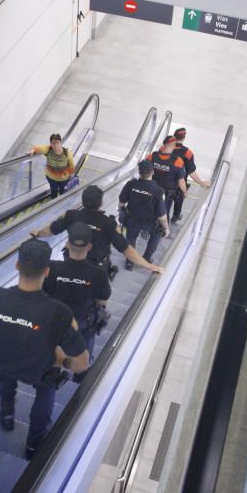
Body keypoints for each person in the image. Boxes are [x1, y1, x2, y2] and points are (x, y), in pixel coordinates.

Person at [0, 239, 88, 459]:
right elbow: (81, 364)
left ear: (17, 266)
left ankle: (7, 416)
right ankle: (33, 443)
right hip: (40, 370)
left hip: (2, 361)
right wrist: (61, 361)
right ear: (47, 271)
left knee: (6, 379)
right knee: (46, 391)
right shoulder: (59, 313)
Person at [32, 184, 164, 276]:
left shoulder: (72, 216)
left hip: (71, 262)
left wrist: (38, 233)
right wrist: (150, 266)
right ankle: (101, 310)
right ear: (100, 204)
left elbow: (51, 230)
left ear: (83, 201)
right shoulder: (108, 223)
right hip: (96, 269)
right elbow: (127, 250)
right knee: (101, 291)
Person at [43, 222, 111, 379]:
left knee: (53, 347)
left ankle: (53, 371)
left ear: (67, 244)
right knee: (85, 350)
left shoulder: (51, 268)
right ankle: (81, 376)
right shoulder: (98, 274)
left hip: (56, 323)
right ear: (89, 247)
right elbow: (103, 300)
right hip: (84, 323)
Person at [118, 160, 169, 271]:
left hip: (132, 219)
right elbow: (161, 216)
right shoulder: (158, 191)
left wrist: (121, 213)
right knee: (157, 234)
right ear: (152, 172)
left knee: (130, 238)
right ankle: (146, 258)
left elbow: (121, 203)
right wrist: (166, 228)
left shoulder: (131, 184)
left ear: (139, 172)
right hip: (150, 222)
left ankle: (129, 262)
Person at [171, 127, 211, 223]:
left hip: (163, 181)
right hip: (179, 183)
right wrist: (202, 183)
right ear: (184, 138)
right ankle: (176, 216)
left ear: (174, 136)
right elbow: (191, 172)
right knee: (179, 197)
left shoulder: (166, 148)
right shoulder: (187, 153)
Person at [146, 136, 187, 220]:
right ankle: (163, 230)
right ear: (174, 145)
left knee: (149, 209)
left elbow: (144, 171)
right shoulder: (177, 161)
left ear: (164, 144)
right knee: (164, 212)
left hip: (151, 190)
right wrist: (184, 191)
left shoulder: (152, 156)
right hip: (167, 194)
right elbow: (181, 181)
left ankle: (146, 229)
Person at [30, 133, 75, 199]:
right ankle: (54, 203)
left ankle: (61, 201)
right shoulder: (48, 149)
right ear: (51, 144)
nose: (56, 145)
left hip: (64, 179)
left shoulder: (67, 153)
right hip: (51, 178)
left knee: (63, 193)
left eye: (58, 142)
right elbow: (36, 147)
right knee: (53, 192)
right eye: (53, 143)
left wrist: (69, 176)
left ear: (61, 143)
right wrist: (32, 150)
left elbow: (72, 167)